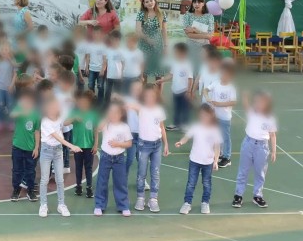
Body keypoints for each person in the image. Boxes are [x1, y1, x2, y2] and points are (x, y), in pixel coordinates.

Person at [127, 85, 169, 213]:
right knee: (141, 173)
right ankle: (140, 197)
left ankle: (153, 199)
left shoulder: (159, 110)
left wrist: (166, 144)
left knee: (155, 173)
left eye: (152, 96)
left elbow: (162, 128)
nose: (150, 98)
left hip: (157, 146)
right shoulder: (141, 108)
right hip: (143, 145)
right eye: (147, 96)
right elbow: (128, 105)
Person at [232, 90, 277, 209]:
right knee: (243, 170)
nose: (258, 104)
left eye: (261, 102)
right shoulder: (252, 113)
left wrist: (273, 151)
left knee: (260, 172)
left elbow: (272, 135)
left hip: (262, 147)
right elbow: (246, 105)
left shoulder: (270, 118)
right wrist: (245, 97)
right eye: (257, 102)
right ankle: (238, 195)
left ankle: (257, 195)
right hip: (248, 143)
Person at [38, 96, 82, 217]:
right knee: (44, 179)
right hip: (46, 151)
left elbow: (64, 123)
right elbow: (59, 138)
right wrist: (72, 146)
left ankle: (61, 205)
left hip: (58, 151)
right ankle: (43, 205)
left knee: (60, 180)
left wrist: (74, 118)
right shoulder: (45, 121)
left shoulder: (59, 118)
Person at [175, 104, 222, 215]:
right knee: (191, 183)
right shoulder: (196, 127)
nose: (203, 117)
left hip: (208, 162)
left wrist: (215, 161)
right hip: (194, 161)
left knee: (207, 183)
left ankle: (205, 203)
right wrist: (181, 142)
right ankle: (187, 203)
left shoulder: (214, 130)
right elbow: (187, 137)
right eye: (202, 115)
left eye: (206, 115)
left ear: (211, 116)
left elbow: (217, 147)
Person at [93, 101, 133, 217]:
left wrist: (118, 144)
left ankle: (123, 206)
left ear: (121, 114)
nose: (113, 114)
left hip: (119, 158)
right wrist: (106, 118)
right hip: (105, 157)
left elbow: (129, 143)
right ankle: (99, 205)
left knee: (120, 182)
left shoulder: (124, 127)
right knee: (102, 182)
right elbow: (98, 128)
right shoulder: (106, 124)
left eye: (116, 112)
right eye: (111, 112)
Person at [204, 60, 237, 169]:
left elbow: (233, 102)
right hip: (215, 116)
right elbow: (206, 90)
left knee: (225, 137)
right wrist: (207, 97)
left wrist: (219, 104)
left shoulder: (231, 88)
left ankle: (227, 157)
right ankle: (219, 153)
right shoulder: (216, 83)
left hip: (225, 117)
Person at [68, 90, 100, 198]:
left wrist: (96, 144)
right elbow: (65, 123)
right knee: (78, 167)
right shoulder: (75, 113)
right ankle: (78, 186)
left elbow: (96, 130)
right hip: (77, 146)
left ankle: (89, 187)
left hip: (89, 146)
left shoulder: (93, 114)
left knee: (88, 167)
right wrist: (74, 118)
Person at [10, 91, 40, 202]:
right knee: (17, 170)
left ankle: (30, 190)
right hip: (17, 146)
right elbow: (12, 115)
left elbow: (37, 131)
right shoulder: (19, 109)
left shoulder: (36, 114)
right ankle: (16, 189)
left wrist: (36, 147)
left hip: (30, 148)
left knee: (30, 171)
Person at [158, 42, 194, 131]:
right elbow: (171, 75)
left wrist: (189, 91)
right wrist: (162, 80)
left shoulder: (188, 65)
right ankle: (176, 124)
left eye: (176, 52)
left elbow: (190, 79)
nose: (174, 54)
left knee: (185, 108)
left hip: (184, 91)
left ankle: (185, 125)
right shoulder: (174, 63)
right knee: (177, 108)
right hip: (175, 91)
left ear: (183, 53)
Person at [136, 0, 168, 84]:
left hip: (158, 45)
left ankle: (158, 93)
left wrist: (166, 47)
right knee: (143, 72)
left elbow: (164, 31)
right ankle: (143, 92)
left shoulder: (162, 13)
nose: (149, 3)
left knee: (159, 72)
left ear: (154, 1)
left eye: (151, 0)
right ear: (144, 4)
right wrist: (148, 39)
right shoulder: (141, 14)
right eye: (147, 2)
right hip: (144, 45)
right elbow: (138, 31)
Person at [182, 0, 215, 69]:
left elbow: (210, 36)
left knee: (203, 68)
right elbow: (189, 34)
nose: (196, 4)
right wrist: (205, 35)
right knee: (191, 68)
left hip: (204, 47)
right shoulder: (187, 15)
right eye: (194, 2)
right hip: (191, 46)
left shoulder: (209, 16)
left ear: (203, 4)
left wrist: (195, 30)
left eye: (199, 2)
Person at [83, 30, 107, 101]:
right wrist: (86, 67)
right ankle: (91, 101)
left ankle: (100, 102)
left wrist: (103, 69)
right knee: (90, 86)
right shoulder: (89, 46)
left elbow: (105, 59)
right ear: (93, 35)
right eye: (95, 34)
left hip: (100, 70)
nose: (96, 35)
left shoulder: (103, 46)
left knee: (100, 87)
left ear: (101, 35)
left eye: (98, 34)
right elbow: (88, 57)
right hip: (91, 69)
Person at [103, 31, 124, 108]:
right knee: (108, 92)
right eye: (112, 39)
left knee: (117, 92)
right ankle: (106, 107)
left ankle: (117, 107)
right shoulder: (107, 50)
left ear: (119, 40)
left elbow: (123, 64)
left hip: (118, 76)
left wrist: (122, 74)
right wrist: (102, 70)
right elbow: (105, 62)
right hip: (109, 75)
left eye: (116, 40)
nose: (114, 41)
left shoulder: (121, 51)